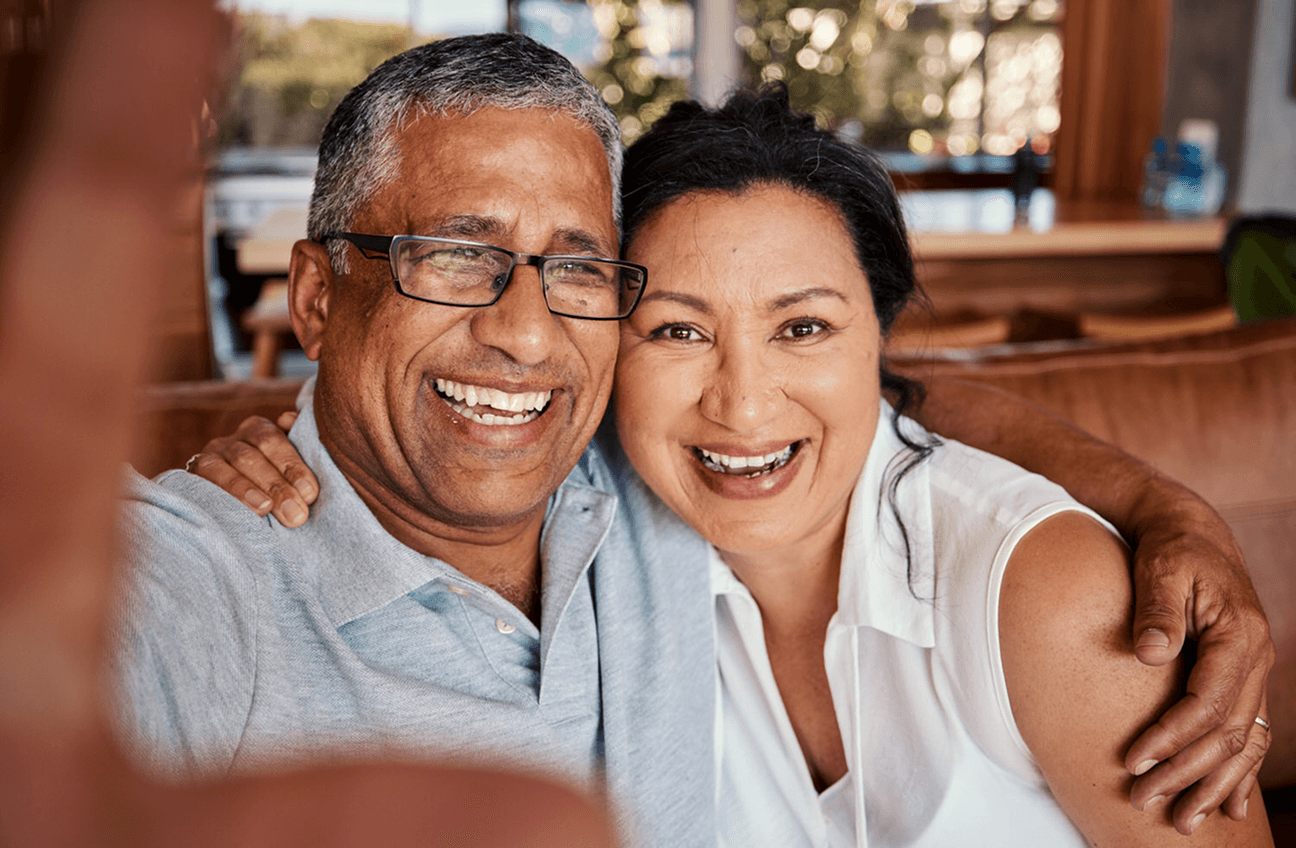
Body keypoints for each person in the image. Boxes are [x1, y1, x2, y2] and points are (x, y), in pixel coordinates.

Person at [136, 33, 1267, 839]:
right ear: (319, 299)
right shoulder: (197, 585)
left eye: (574, 269)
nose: (525, 333)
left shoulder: (641, 478)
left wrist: (1171, 513)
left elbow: (890, 399)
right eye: (452, 253)